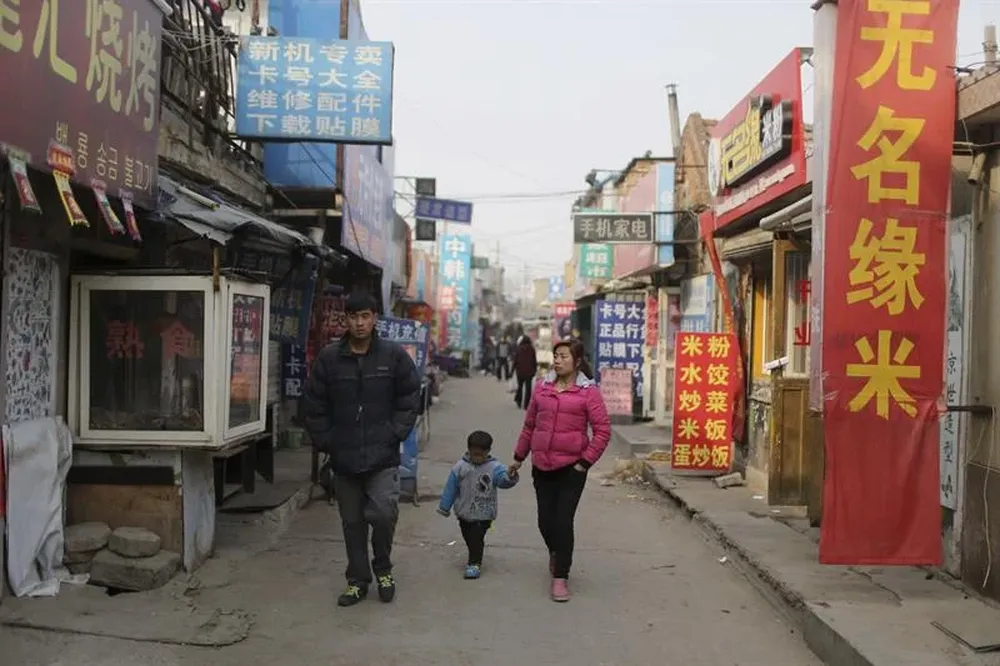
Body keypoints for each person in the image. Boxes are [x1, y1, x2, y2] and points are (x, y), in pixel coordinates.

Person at [304, 291, 421, 608]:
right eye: (353, 317)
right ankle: (358, 580)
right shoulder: (330, 358)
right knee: (352, 522)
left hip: (382, 457)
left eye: (365, 316)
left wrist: (395, 433)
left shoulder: (393, 356)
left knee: (383, 514)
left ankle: (382, 567)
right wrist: (327, 441)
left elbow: (410, 397)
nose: (359, 323)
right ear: (346, 320)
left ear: (374, 319)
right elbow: (313, 405)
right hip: (344, 459)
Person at [508, 339, 611, 603]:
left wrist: (584, 463)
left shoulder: (589, 393)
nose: (557, 360)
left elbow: (602, 432)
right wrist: (519, 457)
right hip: (541, 466)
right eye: (555, 355)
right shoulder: (542, 389)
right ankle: (556, 552)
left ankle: (560, 577)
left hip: (571, 469)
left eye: (564, 356)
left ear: (577, 361)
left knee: (563, 521)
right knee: (545, 521)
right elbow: (530, 425)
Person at [436, 430, 519, 579]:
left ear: (487, 452)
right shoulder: (460, 467)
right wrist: (444, 506)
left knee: (476, 537)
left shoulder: (495, 467)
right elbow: (451, 487)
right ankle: (474, 554)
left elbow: (502, 481)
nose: (477, 458)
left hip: (484, 513)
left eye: (480, 455)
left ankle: (474, 563)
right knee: (468, 536)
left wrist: (510, 476)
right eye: (474, 454)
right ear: (468, 450)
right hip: (464, 512)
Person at [513, 335, 537, 409]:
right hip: (529, 372)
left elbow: (515, 360)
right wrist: (534, 370)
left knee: (520, 386)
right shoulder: (532, 349)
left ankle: (519, 402)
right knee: (528, 389)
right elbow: (534, 361)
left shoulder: (519, 349)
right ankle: (526, 404)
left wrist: (512, 371)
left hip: (520, 371)